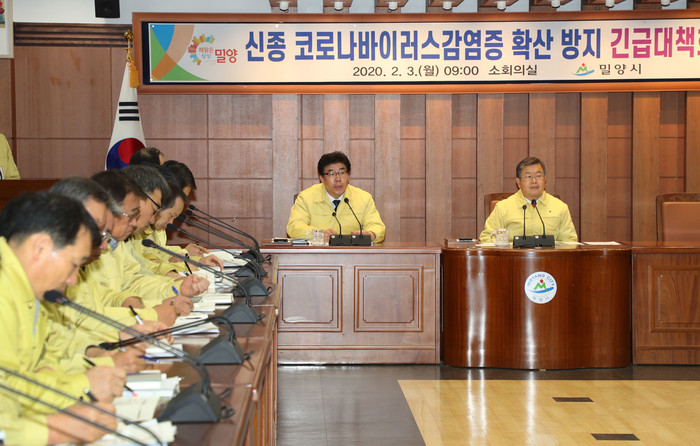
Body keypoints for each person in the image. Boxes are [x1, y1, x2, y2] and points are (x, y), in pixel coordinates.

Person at [0, 192, 127, 443]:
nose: (72, 280)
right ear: (41, 248)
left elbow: (39, 369)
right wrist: (57, 428)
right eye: (74, 264)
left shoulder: (27, 289)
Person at [286, 151, 386, 243]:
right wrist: (318, 235)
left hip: (352, 254)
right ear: (321, 178)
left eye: (342, 173)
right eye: (331, 174)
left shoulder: (363, 198)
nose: (338, 179)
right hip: (318, 254)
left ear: (348, 175)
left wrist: (371, 235)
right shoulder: (306, 197)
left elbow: (377, 226)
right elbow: (294, 227)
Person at [479, 156, 578, 243]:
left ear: (545, 179)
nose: (534, 181)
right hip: (513, 258)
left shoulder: (560, 207)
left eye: (538, 176)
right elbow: (487, 238)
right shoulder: (503, 207)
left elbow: (570, 242)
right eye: (528, 176)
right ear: (518, 182)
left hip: (549, 258)